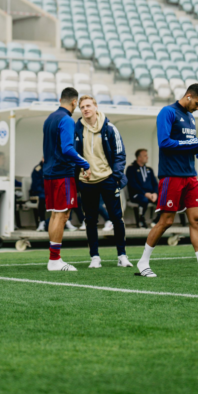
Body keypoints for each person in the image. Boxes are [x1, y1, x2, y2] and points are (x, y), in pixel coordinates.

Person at [135, 84, 198, 278]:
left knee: (197, 220)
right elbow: (164, 142)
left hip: (190, 176)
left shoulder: (191, 117)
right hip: (171, 176)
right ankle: (143, 262)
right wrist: (194, 143)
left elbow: (189, 147)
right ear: (188, 96)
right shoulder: (167, 112)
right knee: (166, 221)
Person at [74, 96, 131, 268]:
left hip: (108, 179)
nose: (85, 109)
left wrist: (115, 176)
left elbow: (120, 154)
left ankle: (122, 255)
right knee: (90, 220)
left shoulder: (110, 128)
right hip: (87, 181)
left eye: (88, 105)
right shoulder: (76, 129)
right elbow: (71, 153)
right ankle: (95, 257)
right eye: (82, 106)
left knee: (116, 218)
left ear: (96, 107)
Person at [42, 87, 89, 272]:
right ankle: (54, 260)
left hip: (49, 174)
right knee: (61, 215)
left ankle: (53, 258)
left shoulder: (49, 119)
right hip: (62, 173)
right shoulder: (67, 120)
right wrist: (85, 163)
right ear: (74, 103)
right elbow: (68, 149)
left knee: (56, 214)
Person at [125, 149, 157, 228]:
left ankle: (156, 221)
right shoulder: (131, 169)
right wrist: (145, 194)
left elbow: (155, 184)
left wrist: (155, 193)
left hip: (150, 194)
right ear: (139, 158)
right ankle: (141, 220)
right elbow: (133, 185)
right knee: (143, 199)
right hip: (137, 194)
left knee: (163, 200)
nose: (147, 157)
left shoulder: (149, 169)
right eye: (145, 156)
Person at [28, 160, 46, 231]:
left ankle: (66, 222)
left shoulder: (53, 167)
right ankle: (42, 221)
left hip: (49, 193)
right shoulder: (37, 169)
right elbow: (36, 186)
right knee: (42, 198)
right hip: (38, 193)